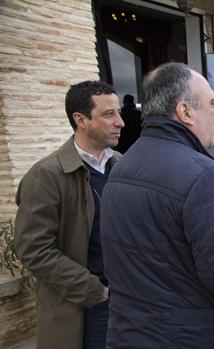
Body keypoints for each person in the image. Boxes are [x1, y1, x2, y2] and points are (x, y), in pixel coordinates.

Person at [99, 62, 214, 348]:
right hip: (191, 337)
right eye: (212, 104)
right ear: (185, 112)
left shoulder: (123, 166)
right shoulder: (204, 176)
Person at [14, 81, 124, 349]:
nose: (120, 122)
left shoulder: (121, 164)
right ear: (81, 119)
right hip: (86, 309)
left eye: (118, 112)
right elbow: (33, 248)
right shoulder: (46, 175)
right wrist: (94, 291)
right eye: (109, 114)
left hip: (127, 302)